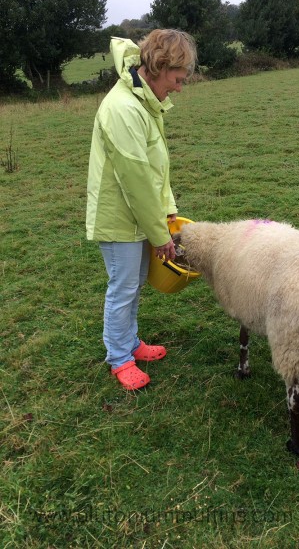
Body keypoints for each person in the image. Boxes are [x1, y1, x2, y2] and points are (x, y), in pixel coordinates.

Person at [86, 29, 197, 390]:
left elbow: (154, 171)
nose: (179, 88)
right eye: (177, 79)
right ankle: (119, 357)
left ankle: (130, 343)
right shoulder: (123, 108)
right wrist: (161, 235)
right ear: (159, 66)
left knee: (134, 285)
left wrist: (167, 212)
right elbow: (135, 179)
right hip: (118, 216)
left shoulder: (145, 102)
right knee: (123, 287)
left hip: (139, 215)